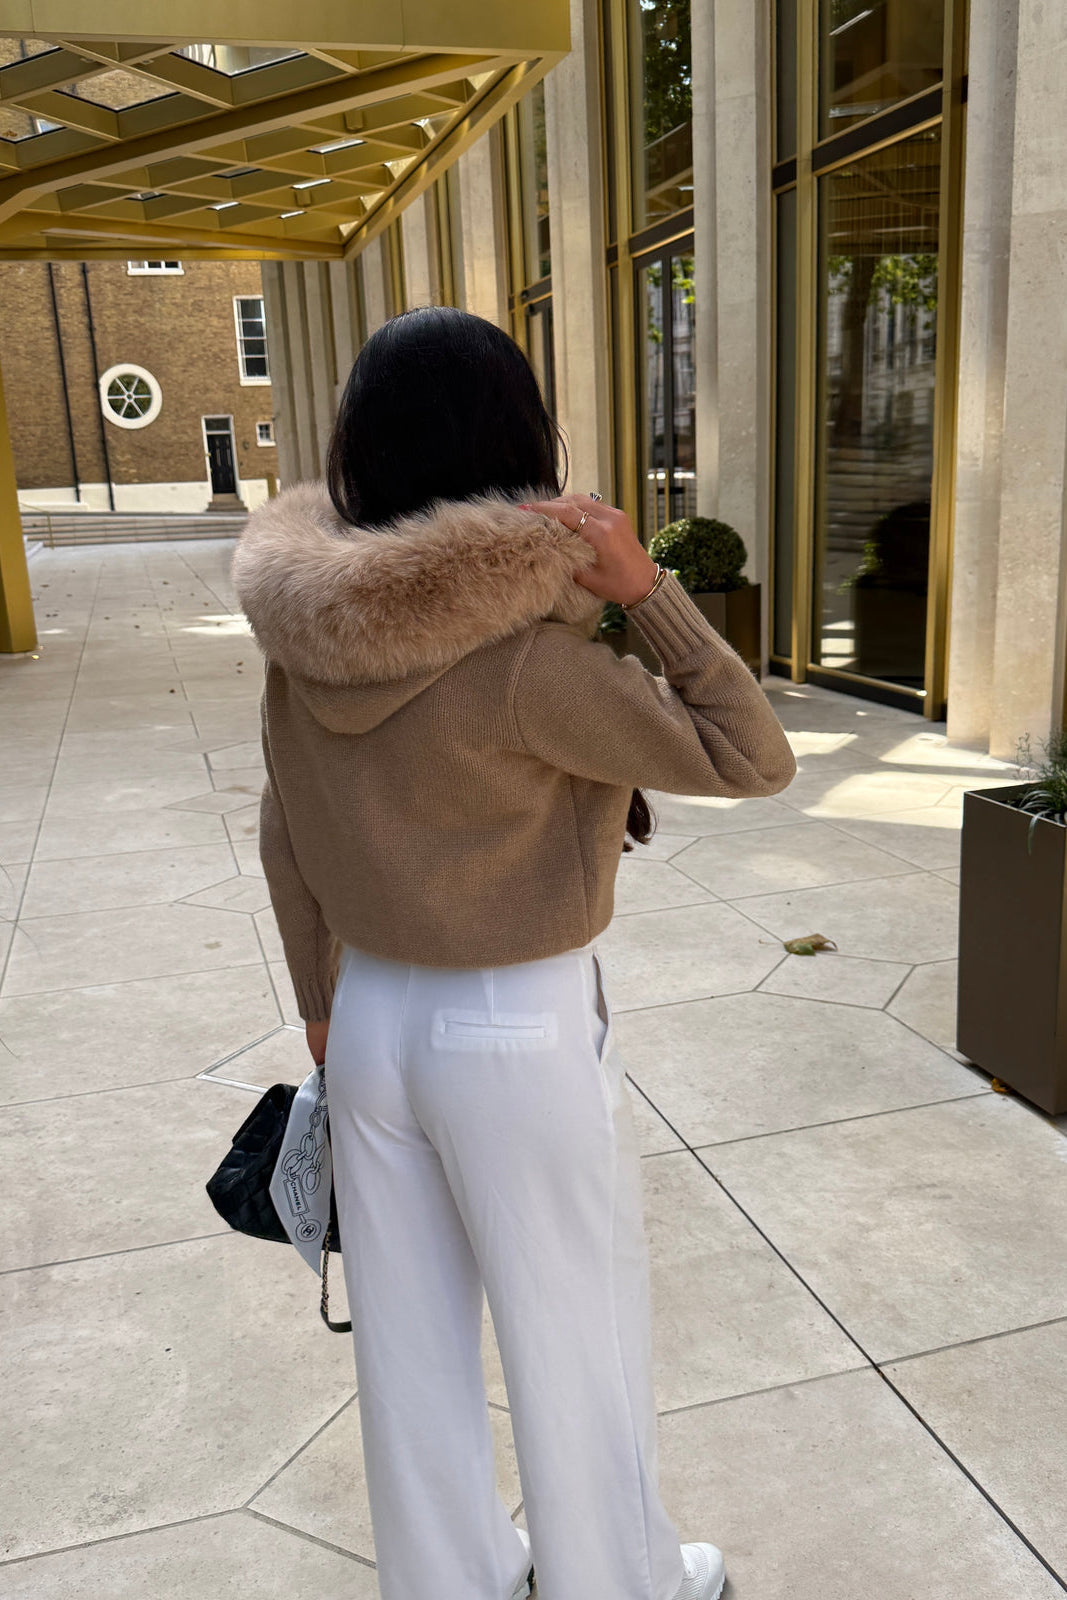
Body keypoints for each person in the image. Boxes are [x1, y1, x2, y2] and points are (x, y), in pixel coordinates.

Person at [233, 305, 796, 1600]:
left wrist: (322, 1006)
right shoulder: (526, 667)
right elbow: (752, 756)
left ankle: (454, 1582)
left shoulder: (307, 643)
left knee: (408, 1351)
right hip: (516, 1029)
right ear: (520, 449)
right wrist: (647, 593)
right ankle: (620, 1582)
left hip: (369, 1021)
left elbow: (283, 833)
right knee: (575, 1334)